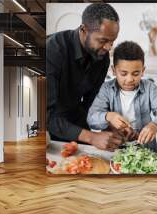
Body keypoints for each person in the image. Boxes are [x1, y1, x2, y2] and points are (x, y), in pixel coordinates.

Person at [46, 3, 123, 150]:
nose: (108, 48)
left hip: (76, 119)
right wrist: (91, 137)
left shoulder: (102, 56)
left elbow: (91, 103)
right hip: (50, 126)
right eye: (103, 40)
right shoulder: (52, 51)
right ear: (83, 30)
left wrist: (106, 124)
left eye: (112, 42)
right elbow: (46, 115)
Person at [87, 41, 157, 151]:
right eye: (123, 74)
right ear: (114, 71)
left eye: (136, 73)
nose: (129, 80)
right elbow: (91, 118)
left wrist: (154, 125)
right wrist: (108, 116)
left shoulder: (149, 88)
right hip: (115, 148)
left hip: (145, 149)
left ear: (143, 71)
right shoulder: (106, 89)